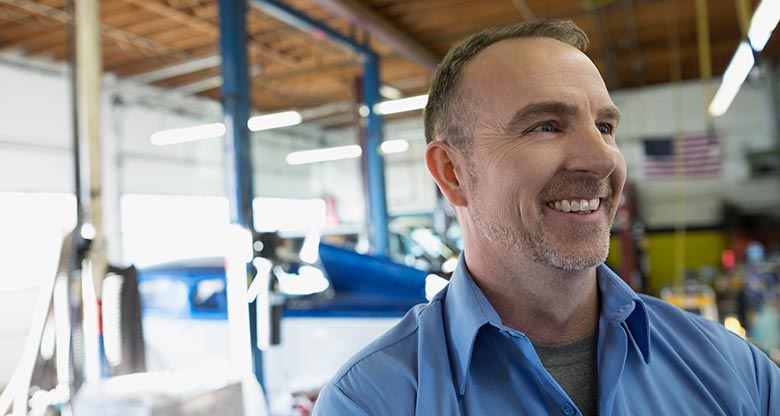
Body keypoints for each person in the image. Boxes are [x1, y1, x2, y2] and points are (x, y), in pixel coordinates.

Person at [313, 19, 780, 415]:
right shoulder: (372, 400)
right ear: (452, 173)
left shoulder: (734, 369)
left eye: (604, 127)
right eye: (546, 126)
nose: (602, 160)